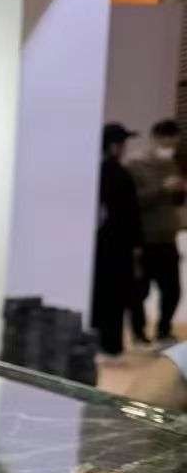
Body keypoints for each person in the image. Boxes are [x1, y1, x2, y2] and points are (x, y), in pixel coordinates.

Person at [128, 119, 186, 345]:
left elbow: (175, 201)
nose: (170, 148)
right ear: (155, 138)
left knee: (173, 290)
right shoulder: (136, 164)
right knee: (139, 291)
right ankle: (138, 333)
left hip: (167, 237)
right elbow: (132, 201)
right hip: (144, 237)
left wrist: (179, 191)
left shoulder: (171, 164)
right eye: (167, 143)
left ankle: (164, 331)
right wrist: (162, 188)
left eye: (174, 144)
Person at [91, 122, 143, 357]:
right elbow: (131, 214)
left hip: (100, 245)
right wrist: (137, 245)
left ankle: (99, 340)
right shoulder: (119, 175)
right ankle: (112, 344)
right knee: (115, 296)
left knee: (100, 293)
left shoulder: (95, 172)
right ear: (114, 146)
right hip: (119, 246)